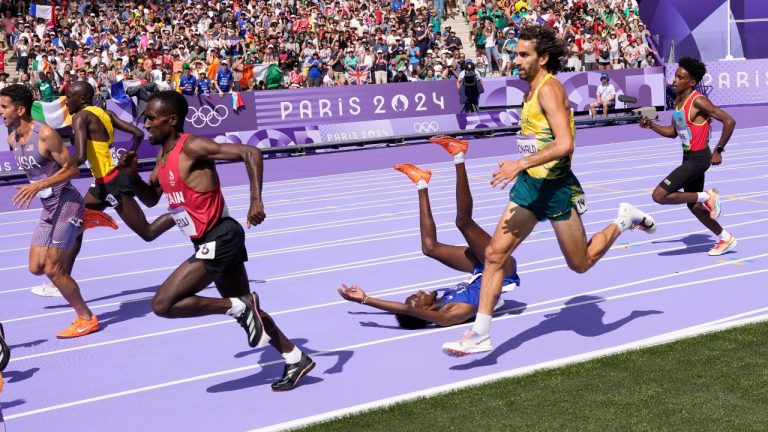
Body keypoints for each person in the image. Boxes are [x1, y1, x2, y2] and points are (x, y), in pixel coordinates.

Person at [442, 25, 657, 357]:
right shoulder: (529, 91)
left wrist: (518, 164)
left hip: (556, 188)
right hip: (530, 188)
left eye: (524, 55)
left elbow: (564, 143)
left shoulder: (548, 89)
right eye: (517, 54)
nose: (517, 61)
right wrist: (523, 168)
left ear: (543, 58)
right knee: (495, 255)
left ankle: (624, 221)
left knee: (581, 263)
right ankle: (480, 333)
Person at [121, 91, 314, 391]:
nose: (146, 123)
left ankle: (239, 306)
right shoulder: (162, 156)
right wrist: (132, 177)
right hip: (206, 241)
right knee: (250, 314)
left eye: (151, 118)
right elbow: (149, 200)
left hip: (222, 236)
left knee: (162, 303)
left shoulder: (192, 147)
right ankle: (294, 357)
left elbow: (252, 153)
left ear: (171, 121)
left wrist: (255, 201)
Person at [339, 136, 521, 328]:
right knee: (463, 222)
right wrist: (365, 299)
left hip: (481, 269)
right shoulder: (452, 313)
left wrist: (368, 304)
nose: (418, 292)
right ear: (424, 312)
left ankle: (421, 181)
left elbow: (408, 310)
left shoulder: (442, 301)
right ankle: (458, 153)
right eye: (416, 298)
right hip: (502, 269)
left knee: (429, 248)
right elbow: (407, 310)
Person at [0, 84, 99, 338]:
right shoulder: (13, 138)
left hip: (67, 202)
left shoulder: (44, 134)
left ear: (20, 109)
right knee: (36, 267)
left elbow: (73, 169)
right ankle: (79, 227)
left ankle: (86, 318)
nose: (1, 112)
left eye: (4, 107)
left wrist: (41, 184)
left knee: (54, 269)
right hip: (48, 208)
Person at [639, 56, 736, 256]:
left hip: (699, 158)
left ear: (691, 82)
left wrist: (719, 149)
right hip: (688, 157)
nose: (674, 80)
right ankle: (726, 237)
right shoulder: (678, 101)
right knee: (694, 206)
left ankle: (709, 195)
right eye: (675, 75)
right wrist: (651, 126)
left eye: (680, 77)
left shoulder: (698, 100)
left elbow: (729, 121)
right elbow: (673, 133)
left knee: (659, 195)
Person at [66, 81, 174, 242]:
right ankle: (63, 266)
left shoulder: (80, 117)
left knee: (148, 232)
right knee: (75, 224)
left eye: (68, 97)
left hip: (112, 182)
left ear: (82, 99)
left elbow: (80, 156)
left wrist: (57, 175)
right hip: (102, 182)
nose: (65, 101)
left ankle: (185, 211)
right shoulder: (106, 114)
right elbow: (138, 134)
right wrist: (130, 153)